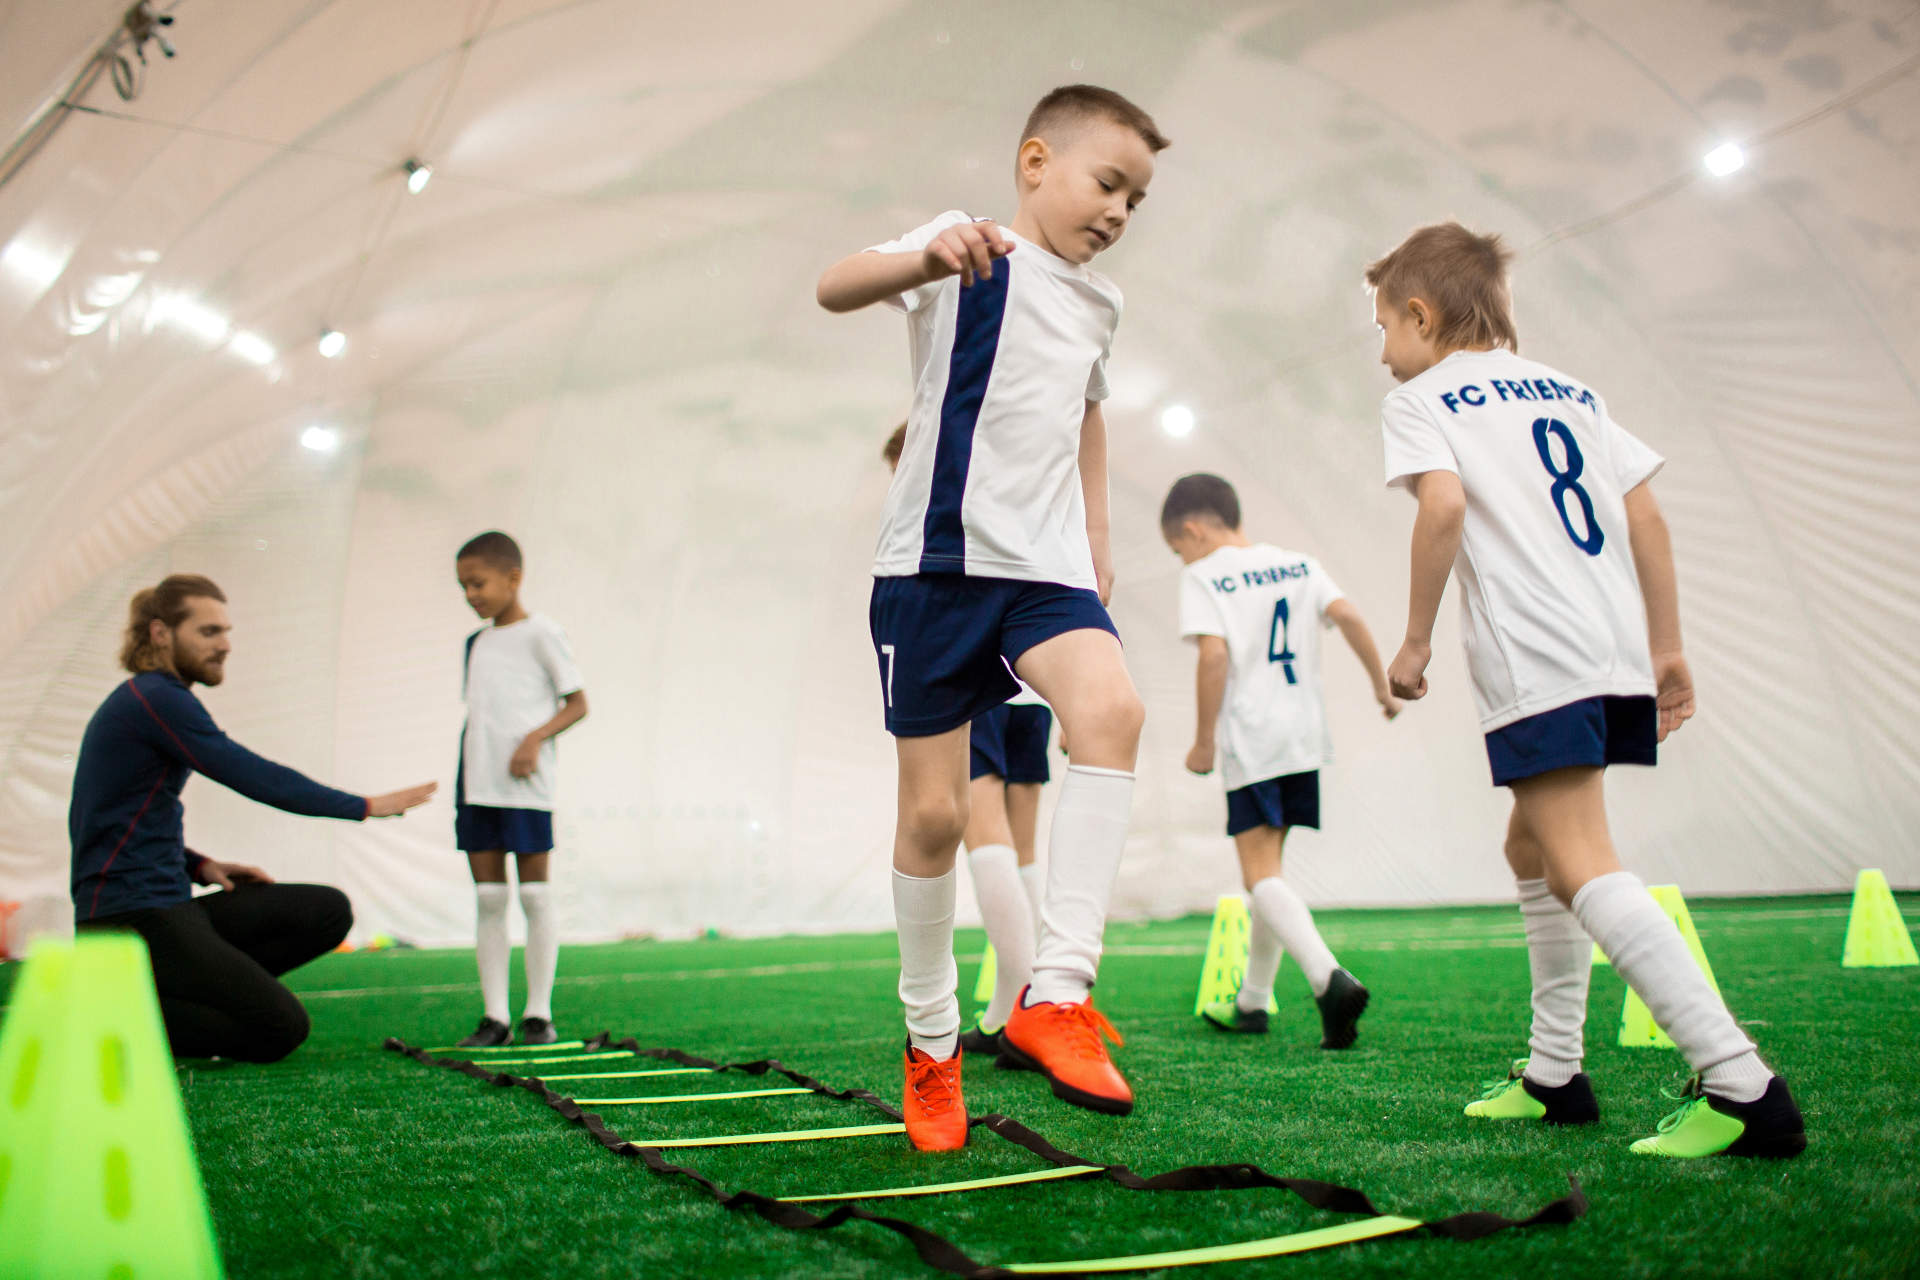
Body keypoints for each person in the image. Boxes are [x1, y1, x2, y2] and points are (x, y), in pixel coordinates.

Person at [1368, 221, 1805, 1158]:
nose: (1383, 350)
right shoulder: (1573, 391)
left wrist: (1414, 641)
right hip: (1610, 649)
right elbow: (1646, 517)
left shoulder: (1421, 399)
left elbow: (1443, 505)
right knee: (1530, 843)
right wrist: (1667, 648)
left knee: (1577, 859)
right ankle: (1554, 1076)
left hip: (1538, 656)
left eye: (1384, 327)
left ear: (1420, 314)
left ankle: (1743, 1087)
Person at [819, 84, 1169, 1150]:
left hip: (1044, 572)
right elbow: (833, 286)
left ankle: (1055, 992)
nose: (1118, 211)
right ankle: (932, 1045)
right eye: (1108, 183)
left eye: (1137, 199)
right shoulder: (965, 249)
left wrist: (1097, 535)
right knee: (933, 819)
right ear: (1035, 162)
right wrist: (924, 257)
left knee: (1113, 712)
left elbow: (1086, 413)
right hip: (934, 568)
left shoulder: (1101, 304)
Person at [70, 574, 436, 1062]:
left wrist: (200, 866)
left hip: (163, 903)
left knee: (327, 910)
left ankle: (172, 994)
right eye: (208, 632)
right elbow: (251, 774)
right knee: (280, 1027)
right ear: (160, 634)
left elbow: (117, 815)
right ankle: (113, 1015)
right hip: (132, 918)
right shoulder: (156, 698)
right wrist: (364, 806)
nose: (224, 645)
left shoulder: (148, 700)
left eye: (226, 632)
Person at [1161, 473, 1399, 1048]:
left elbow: (1214, 657)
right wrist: (1381, 686)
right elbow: (1350, 615)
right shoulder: (1299, 564)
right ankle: (1251, 1001)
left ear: (1193, 530)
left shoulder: (1203, 575)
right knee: (1270, 871)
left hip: (1253, 734)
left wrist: (1202, 740)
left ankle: (1327, 977)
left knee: (1259, 873)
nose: (1180, 559)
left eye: (1176, 548)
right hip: (1303, 734)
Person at [882, 424, 1052, 1056]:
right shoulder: (1017, 496)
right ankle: (1015, 1009)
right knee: (1022, 849)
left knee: (988, 841)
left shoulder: (939, 515)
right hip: (1036, 686)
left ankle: (1030, 1008)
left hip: (979, 684)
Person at [452, 531, 588, 1048]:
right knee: (489, 897)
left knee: (534, 894)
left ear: (513, 578)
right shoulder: (474, 644)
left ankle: (538, 1015)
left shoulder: (543, 634)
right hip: (476, 784)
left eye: (478, 583)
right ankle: (495, 1018)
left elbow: (577, 704)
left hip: (526, 788)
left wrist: (534, 739)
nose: (471, 594)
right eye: (464, 586)